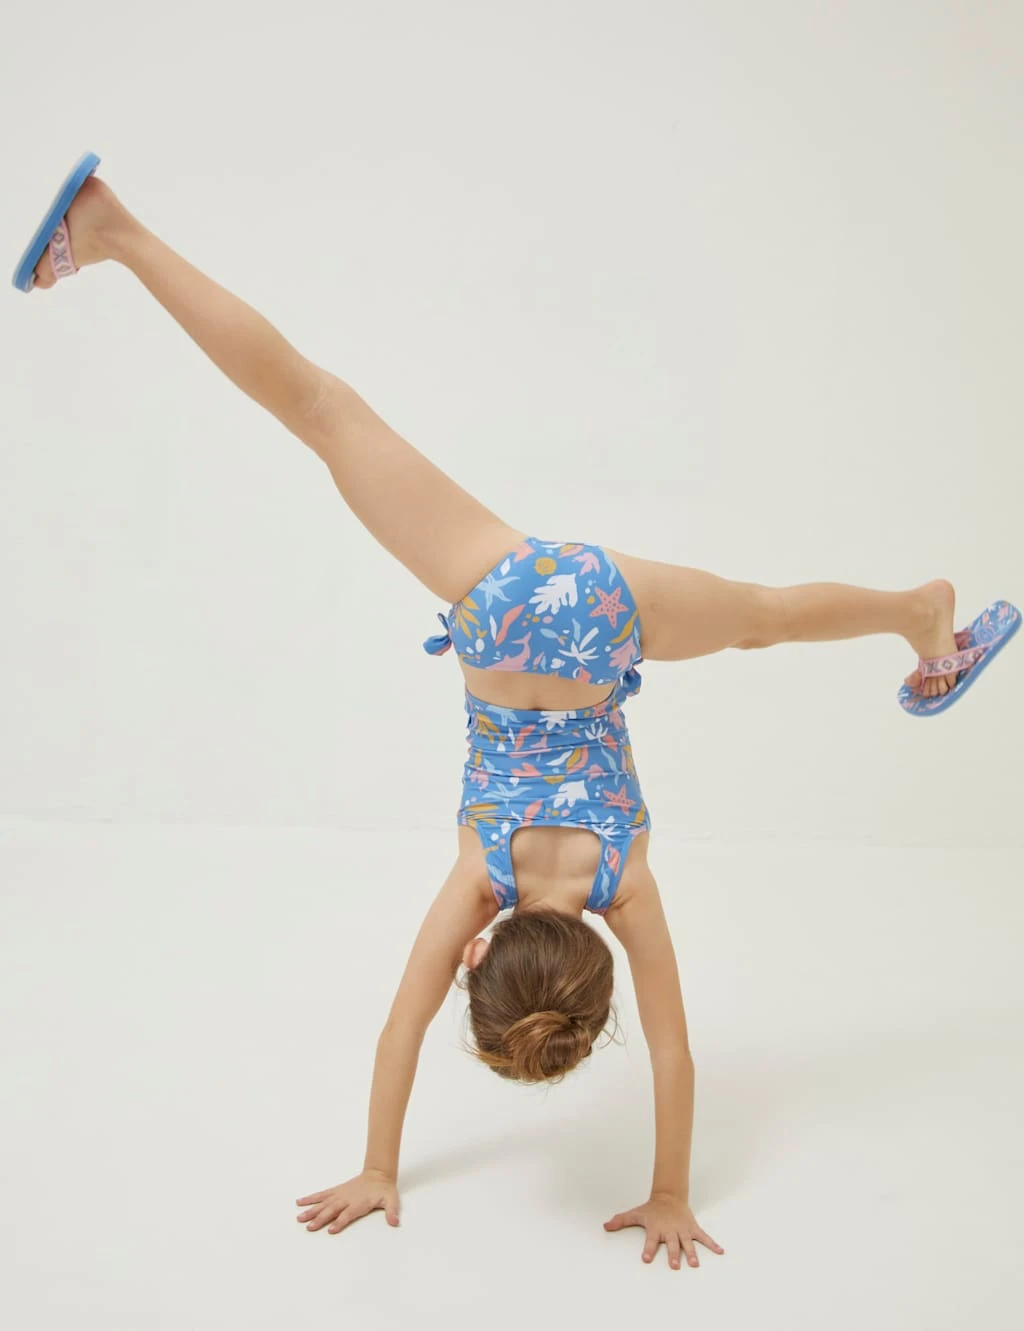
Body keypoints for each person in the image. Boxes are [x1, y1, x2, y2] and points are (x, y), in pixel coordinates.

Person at [16, 157, 1018, 1272]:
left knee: (765, 617)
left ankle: (918, 611)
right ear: (479, 951)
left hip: (604, 612)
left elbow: (674, 1055)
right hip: (495, 614)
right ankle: (114, 233)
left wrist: (670, 1191)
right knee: (319, 409)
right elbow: (400, 1025)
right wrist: (376, 1167)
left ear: (589, 968)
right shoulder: (478, 874)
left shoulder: (624, 883)